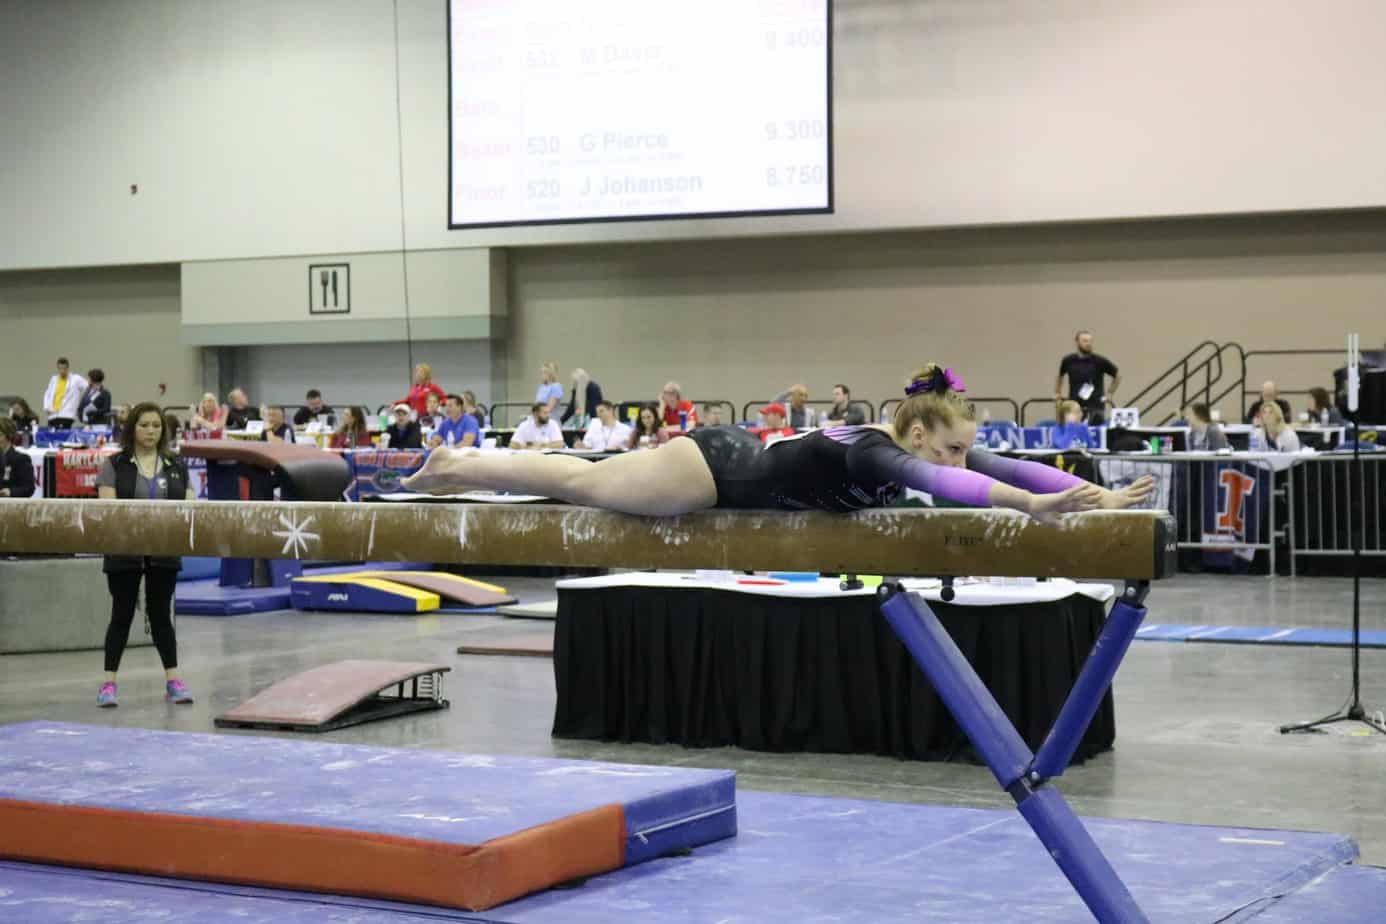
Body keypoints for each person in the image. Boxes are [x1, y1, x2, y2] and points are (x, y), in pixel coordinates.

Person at [403, 363, 1155, 520]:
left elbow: (1007, 465)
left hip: (734, 466)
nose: (961, 459)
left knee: (588, 474)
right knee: (582, 483)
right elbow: (954, 484)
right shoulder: (878, 450)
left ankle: (462, 462)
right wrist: (1028, 507)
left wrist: (1098, 497)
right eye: (951, 449)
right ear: (920, 434)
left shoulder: (929, 446)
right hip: (713, 472)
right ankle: (461, 461)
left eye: (963, 450)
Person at [95, 401, 194, 708]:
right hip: (125, 551)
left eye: (156, 426)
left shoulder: (177, 465)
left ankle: (173, 680)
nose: (151, 431)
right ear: (132, 428)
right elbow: (109, 510)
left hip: (163, 551)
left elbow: (189, 508)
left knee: (161, 615)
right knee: (121, 615)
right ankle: (108, 683)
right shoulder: (114, 464)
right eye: (144, 425)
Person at [1055, 331, 1120, 425]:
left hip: (1095, 406)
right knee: (1073, 429)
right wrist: (1058, 392)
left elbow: (1117, 376)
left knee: (1094, 429)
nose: (1088, 344)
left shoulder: (1099, 361)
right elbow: (1060, 376)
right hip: (1074, 405)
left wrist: (1110, 393)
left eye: (1090, 341)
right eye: (1085, 341)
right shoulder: (1068, 360)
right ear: (1077, 342)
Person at [42, 357, 88, 429]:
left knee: (63, 434)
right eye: (60, 369)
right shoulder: (53, 379)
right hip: (53, 414)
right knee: (52, 434)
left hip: (66, 415)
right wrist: (47, 407)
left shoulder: (75, 379)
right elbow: (48, 394)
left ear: (68, 368)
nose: (62, 371)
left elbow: (88, 388)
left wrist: (82, 404)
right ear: (57, 368)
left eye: (64, 368)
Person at [0, 417, 37, 498]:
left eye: (0, 435)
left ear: (8, 436)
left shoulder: (21, 459)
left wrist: (10, 492)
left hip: (9, 503)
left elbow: (29, 488)